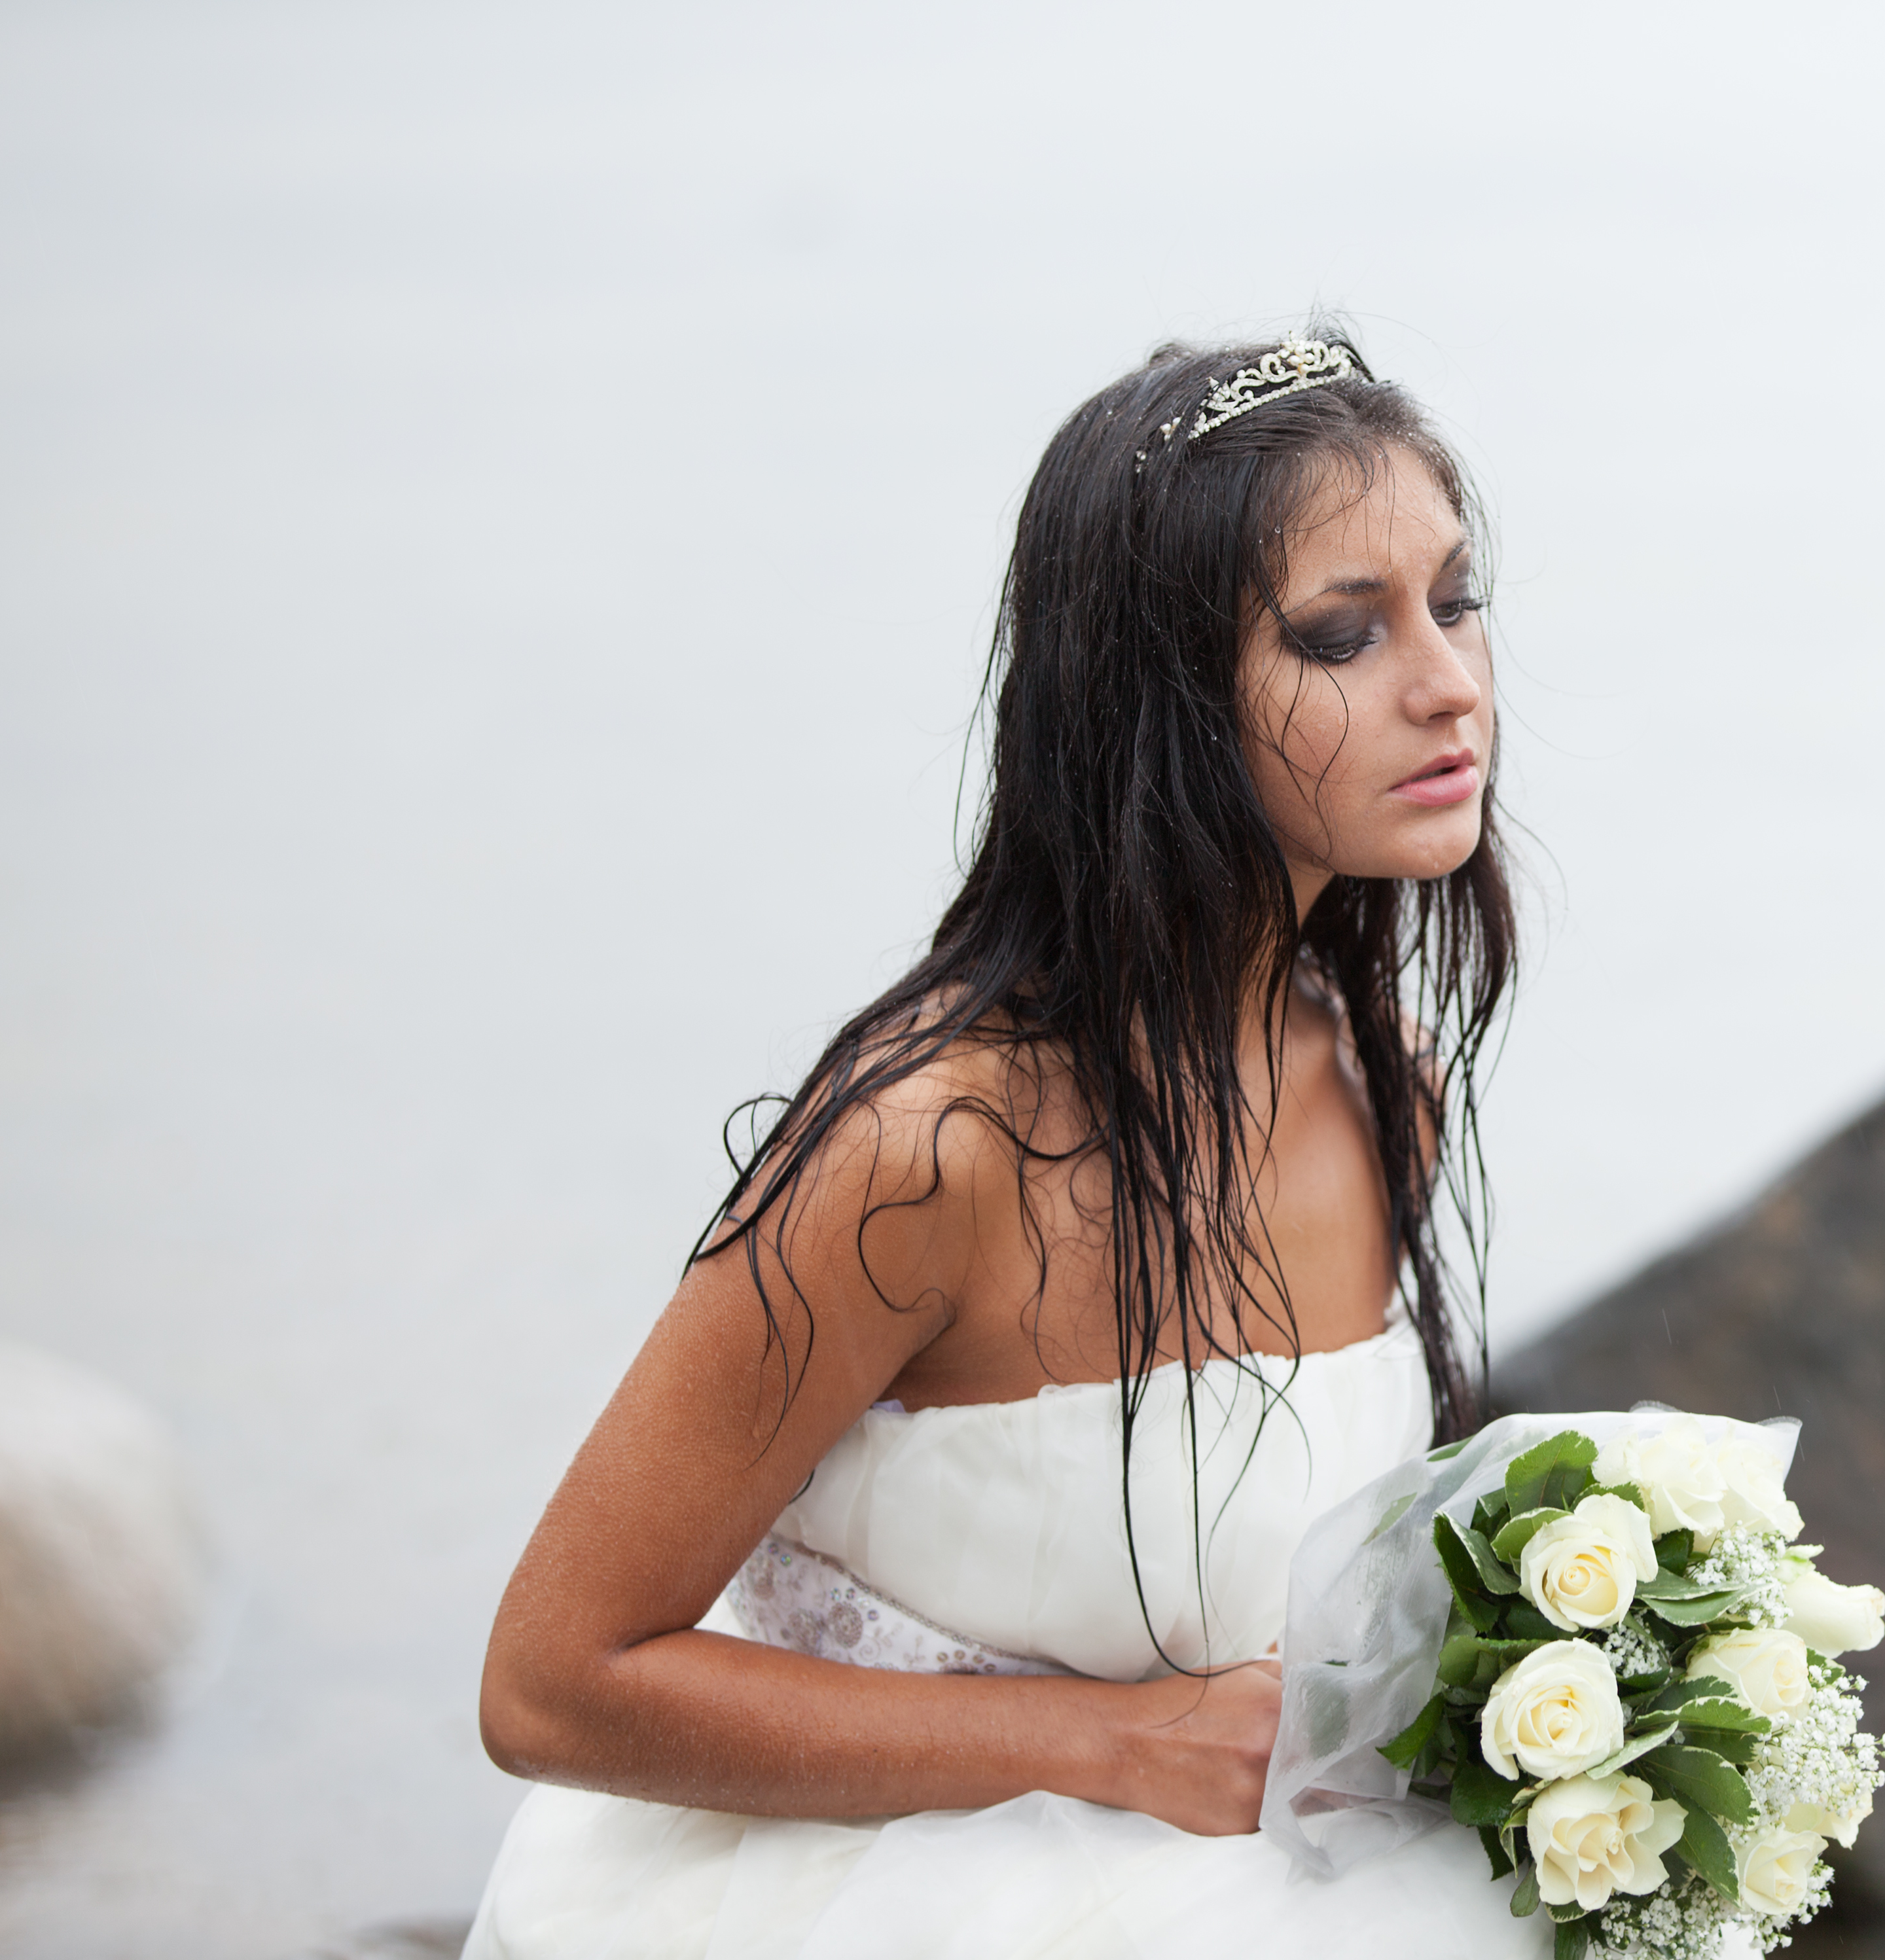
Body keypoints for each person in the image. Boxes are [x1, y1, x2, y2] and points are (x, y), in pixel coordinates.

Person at [463, 327, 1550, 1957]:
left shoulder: (1378, 1073)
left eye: (1453, 603)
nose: (1449, 680)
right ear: (1160, 698)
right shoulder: (932, 1151)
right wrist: (1113, 1743)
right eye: (1344, 631)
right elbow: (553, 1680)